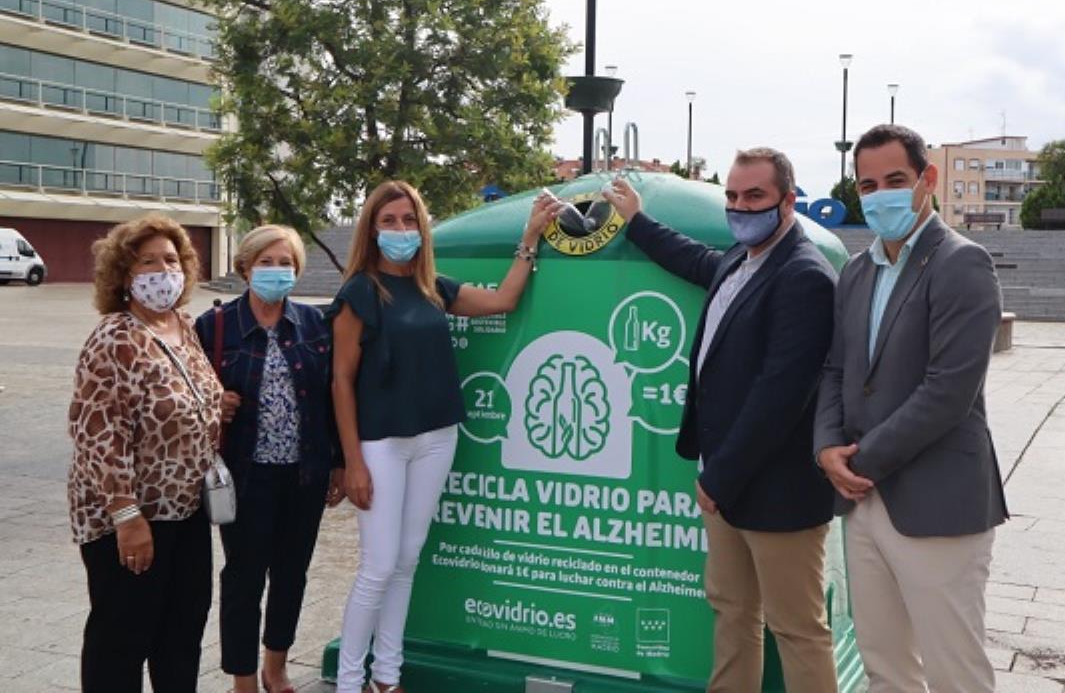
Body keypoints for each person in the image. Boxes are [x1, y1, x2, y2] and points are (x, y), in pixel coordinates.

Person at [602, 150, 839, 693]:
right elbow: (693, 259)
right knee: (733, 611)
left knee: (797, 628)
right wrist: (636, 221)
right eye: (732, 196)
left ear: (788, 202)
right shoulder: (741, 259)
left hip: (775, 491)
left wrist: (718, 479)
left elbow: (778, 398)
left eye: (754, 196)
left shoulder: (804, 277)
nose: (739, 207)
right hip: (725, 481)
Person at [332, 181, 560, 693]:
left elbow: (503, 299)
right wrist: (352, 462)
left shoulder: (435, 286)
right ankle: (349, 681)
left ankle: (386, 677)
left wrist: (530, 237)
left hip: (437, 437)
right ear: (371, 228)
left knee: (407, 561)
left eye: (409, 220)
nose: (400, 230)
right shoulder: (359, 292)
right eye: (388, 221)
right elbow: (341, 380)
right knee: (378, 567)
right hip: (380, 443)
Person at [814, 124, 1008, 692]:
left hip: (936, 504)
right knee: (885, 667)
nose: (880, 196)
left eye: (894, 180)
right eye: (867, 185)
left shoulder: (961, 264)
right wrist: (826, 447)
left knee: (954, 671)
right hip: (863, 500)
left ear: (928, 179)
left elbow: (949, 390)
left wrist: (858, 462)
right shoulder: (857, 271)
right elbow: (834, 369)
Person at [67, 214, 222, 692]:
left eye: (171, 260)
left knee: (181, 635)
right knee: (122, 640)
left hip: (187, 511)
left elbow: (185, 396)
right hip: (131, 520)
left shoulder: (184, 327)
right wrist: (127, 516)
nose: (162, 270)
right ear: (124, 275)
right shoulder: (115, 336)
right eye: (148, 261)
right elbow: (96, 434)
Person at [195, 225, 345, 693]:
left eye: (285, 263)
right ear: (244, 268)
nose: (276, 271)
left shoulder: (316, 325)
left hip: (304, 474)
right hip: (245, 476)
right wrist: (213, 404)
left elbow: (331, 399)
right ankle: (243, 678)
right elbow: (188, 393)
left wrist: (338, 463)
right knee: (243, 578)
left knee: (291, 575)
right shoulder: (214, 326)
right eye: (266, 262)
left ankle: (274, 666)